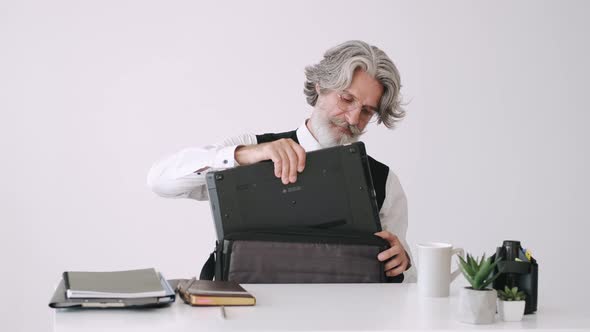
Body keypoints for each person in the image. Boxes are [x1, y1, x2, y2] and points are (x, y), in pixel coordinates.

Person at [148, 40, 416, 281]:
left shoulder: (384, 180)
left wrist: (401, 261)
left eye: (367, 111)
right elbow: (160, 181)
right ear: (320, 85)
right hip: (240, 310)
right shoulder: (251, 148)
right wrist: (245, 155)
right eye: (347, 99)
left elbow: (401, 276)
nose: (353, 119)